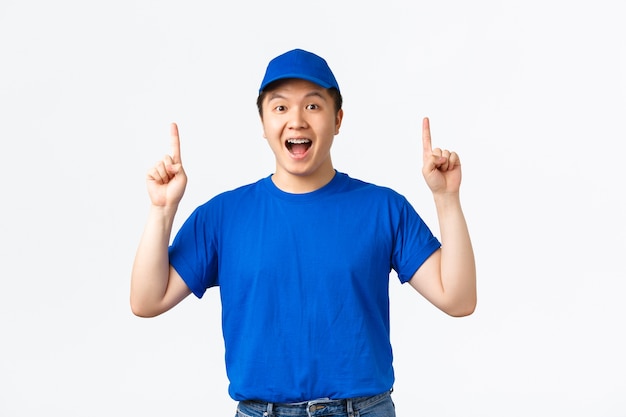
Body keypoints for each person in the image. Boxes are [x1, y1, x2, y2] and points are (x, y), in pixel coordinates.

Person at [130, 48, 476, 417]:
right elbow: (147, 301)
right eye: (280, 108)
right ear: (263, 124)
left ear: (338, 119)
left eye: (313, 106)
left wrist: (446, 199)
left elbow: (457, 299)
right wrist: (162, 210)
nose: (296, 121)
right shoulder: (222, 216)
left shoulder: (383, 208)